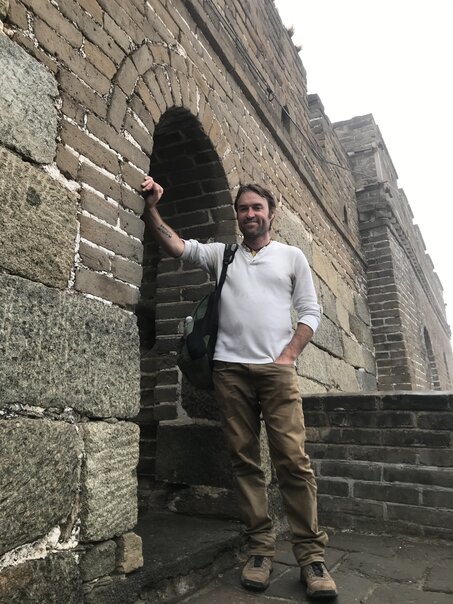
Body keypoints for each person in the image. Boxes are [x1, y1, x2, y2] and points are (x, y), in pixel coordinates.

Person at [141, 176, 338, 600]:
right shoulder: (222, 255)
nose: (250, 214)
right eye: (244, 208)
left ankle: (311, 557)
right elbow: (176, 246)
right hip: (229, 372)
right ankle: (260, 550)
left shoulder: (291, 257)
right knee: (245, 462)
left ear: (271, 213)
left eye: (257, 207)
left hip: (276, 373)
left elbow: (310, 312)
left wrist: (288, 356)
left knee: (293, 462)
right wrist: (152, 207)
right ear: (237, 215)